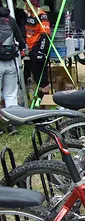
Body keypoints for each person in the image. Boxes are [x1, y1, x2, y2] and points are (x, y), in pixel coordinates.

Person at [0, 2, 26, 134]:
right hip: (10, 61)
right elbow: (21, 41)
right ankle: (12, 124)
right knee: (10, 94)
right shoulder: (9, 19)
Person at [23, 0, 51, 95]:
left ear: (34, 4)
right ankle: (39, 98)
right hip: (30, 49)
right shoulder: (30, 16)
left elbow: (45, 36)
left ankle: (45, 100)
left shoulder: (42, 16)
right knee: (33, 76)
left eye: (28, 3)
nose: (25, 4)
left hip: (38, 49)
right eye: (25, 2)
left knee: (42, 79)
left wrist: (41, 51)